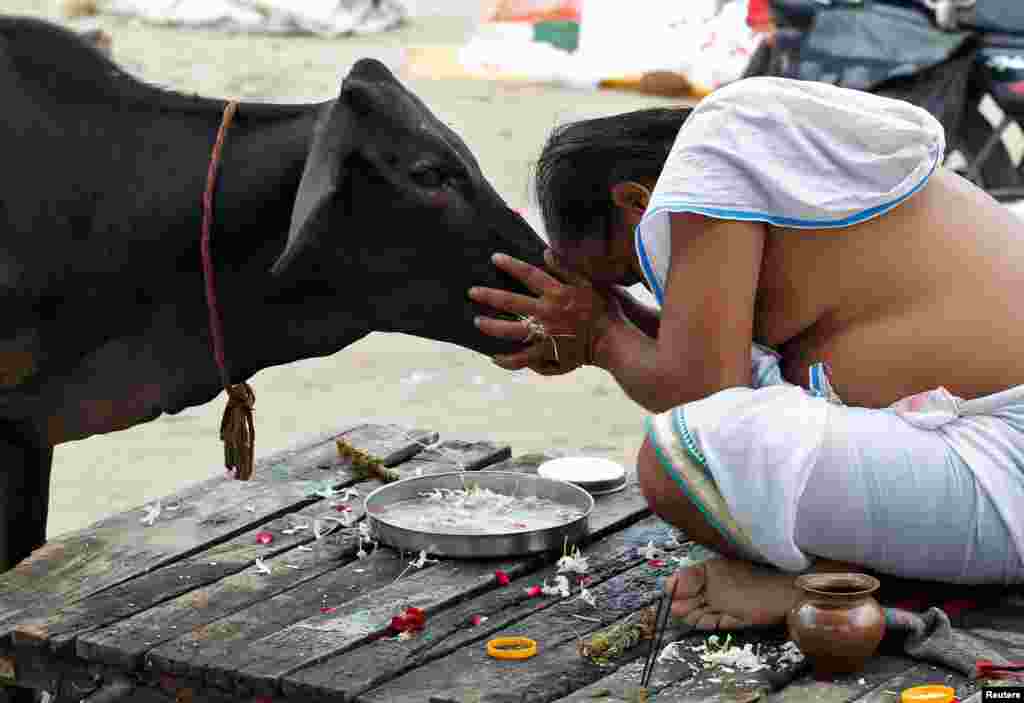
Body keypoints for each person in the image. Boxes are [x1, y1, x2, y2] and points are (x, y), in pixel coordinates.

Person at [467, 76, 1024, 631]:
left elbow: (705, 396)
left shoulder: (716, 145)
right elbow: (721, 363)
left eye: (635, 276)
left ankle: (832, 582)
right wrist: (609, 324)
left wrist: (601, 337)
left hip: (1006, 466)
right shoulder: (784, 194)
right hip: (993, 476)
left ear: (638, 202)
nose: (657, 288)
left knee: (678, 457)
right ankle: (852, 573)